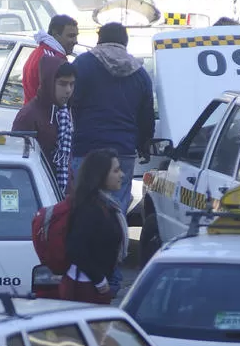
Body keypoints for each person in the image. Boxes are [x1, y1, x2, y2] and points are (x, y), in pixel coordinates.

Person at [70, 21, 155, 215]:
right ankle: (116, 243)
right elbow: (146, 116)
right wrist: (144, 145)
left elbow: (70, 101)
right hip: (122, 150)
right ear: (125, 42)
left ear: (99, 39)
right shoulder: (140, 74)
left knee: (83, 206)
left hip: (86, 148)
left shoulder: (83, 64)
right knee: (117, 208)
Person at [59, 148, 128, 304]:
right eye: (116, 171)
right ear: (101, 175)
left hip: (93, 285)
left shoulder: (106, 204)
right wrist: (100, 281)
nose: (122, 175)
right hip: (85, 288)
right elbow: (76, 249)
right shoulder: (90, 208)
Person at [14, 58, 75, 194]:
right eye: (63, 84)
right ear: (49, 83)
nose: (68, 90)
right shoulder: (28, 116)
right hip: (37, 192)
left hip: (64, 193)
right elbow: (19, 164)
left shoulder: (64, 112)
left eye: (72, 84)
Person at [22, 14, 78, 103]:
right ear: (56, 34)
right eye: (71, 36)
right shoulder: (53, 59)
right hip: (43, 114)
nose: (75, 41)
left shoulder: (39, 52)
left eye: (76, 36)